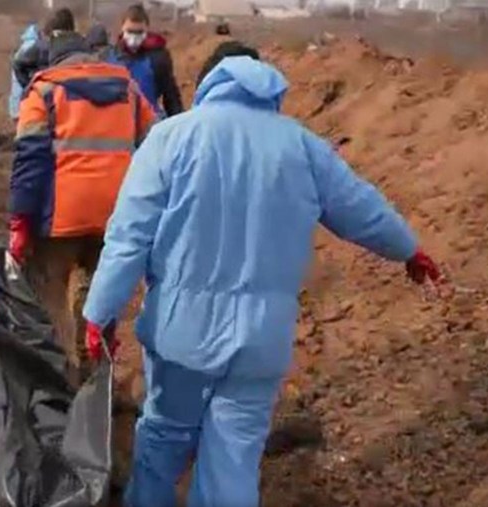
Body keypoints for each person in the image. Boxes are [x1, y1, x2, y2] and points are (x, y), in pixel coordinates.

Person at [82, 42, 443, 507]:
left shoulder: (171, 137)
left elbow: (128, 237)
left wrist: (99, 313)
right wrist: (409, 250)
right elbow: (361, 207)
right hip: (261, 341)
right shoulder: (302, 146)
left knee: (164, 438)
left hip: (181, 334)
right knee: (234, 457)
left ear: (207, 83)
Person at [10, 34, 155, 382]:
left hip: (60, 218)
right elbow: (155, 143)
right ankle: (97, 373)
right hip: (115, 214)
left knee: (51, 294)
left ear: (54, 61)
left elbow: (30, 160)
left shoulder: (43, 91)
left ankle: (63, 377)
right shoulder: (129, 90)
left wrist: (20, 219)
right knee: (101, 290)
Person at [105, 4, 184, 116]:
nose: (134, 37)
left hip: (149, 121)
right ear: (122, 28)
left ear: (146, 29)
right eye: (130, 31)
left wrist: (178, 121)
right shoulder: (109, 57)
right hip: (117, 120)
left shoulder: (158, 58)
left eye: (139, 32)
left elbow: (171, 96)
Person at [13, 7, 76, 89]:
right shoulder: (42, 47)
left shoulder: (41, 46)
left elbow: (18, 64)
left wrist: (30, 86)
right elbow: (19, 64)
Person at [9, 23, 40, 121]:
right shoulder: (37, 50)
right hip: (31, 103)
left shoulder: (21, 51)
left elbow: (16, 82)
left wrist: (14, 109)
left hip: (19, 103)